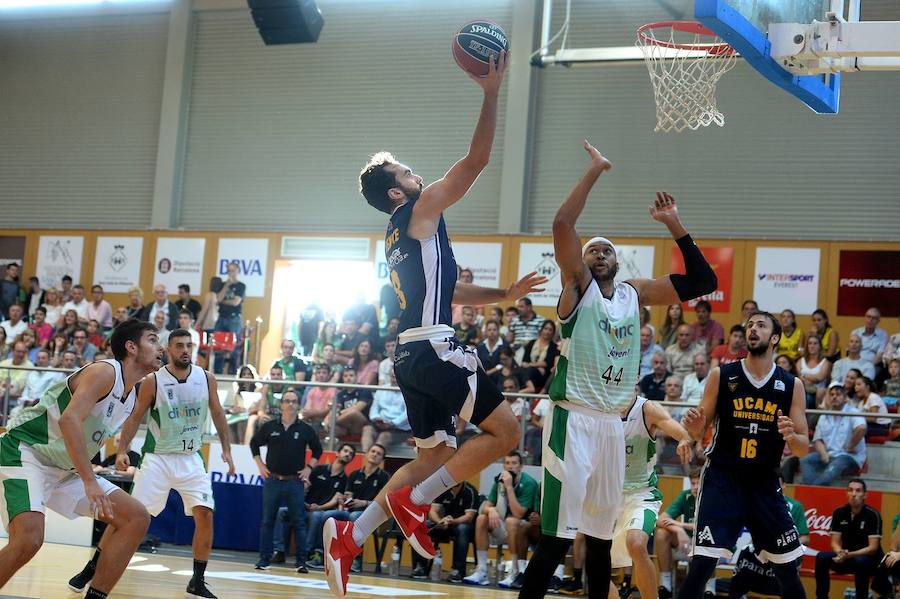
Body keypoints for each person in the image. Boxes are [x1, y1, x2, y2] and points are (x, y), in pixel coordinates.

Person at [323, 49, 543, 598]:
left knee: (433, 456)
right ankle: (416, 503)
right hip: (434, 349)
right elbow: (475, 163)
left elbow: (447, 288)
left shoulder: (399, 234)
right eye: (404, 170)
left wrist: (504, 294)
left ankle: (349, 539)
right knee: (507, 432)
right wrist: (491, 94)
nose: (414, 171)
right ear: (398, 191)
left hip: (408, 356)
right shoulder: (421, 212)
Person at [520, 141, 717, 599]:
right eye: (593, 251)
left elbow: (705, 281)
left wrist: (674, 225)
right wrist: (595, 170)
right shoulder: (576, 290)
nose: (601, 253)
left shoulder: (633, 293)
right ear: (582, 263)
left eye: (608, 250)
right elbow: (562, 224)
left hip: (611, 425)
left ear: (618, 260)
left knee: (602, 539)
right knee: (558, 538)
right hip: (572, 418)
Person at [68, 329, 234, 599]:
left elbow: (217, 412)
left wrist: (226, 448)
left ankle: (197, 580)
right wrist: (122, 449)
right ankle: (91, 568)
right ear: (168, 349)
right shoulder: (153, 380)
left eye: (189, 345)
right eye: (179, 345)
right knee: (128, 518)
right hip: (157, 459)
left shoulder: (206, 378)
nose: (185, 350)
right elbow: (135, 417)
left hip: (191, 459)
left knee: (205, 515)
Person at [0, 319, 159, 598]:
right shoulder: (104, 372)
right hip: (25, 451)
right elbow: (69, 419)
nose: (162, 347)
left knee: (136, 517)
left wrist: (104, 462)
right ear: (131, 347)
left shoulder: (131, 396)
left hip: (63, 468)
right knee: (28, 539)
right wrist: (90, 480)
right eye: (154, 340)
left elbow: (87, 436)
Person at [679, 311, 809, 599]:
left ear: (775, 338)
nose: (753, 329)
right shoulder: (722, 375)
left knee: (787, 570)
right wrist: (694, 431)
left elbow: (803, 447)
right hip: (724, 479)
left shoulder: (791, 385)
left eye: (761, 325)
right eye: (750, 325)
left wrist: (791, 436)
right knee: (702, 564)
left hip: (764, 482)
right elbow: (700, 429)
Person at [609, 395, 693, 599]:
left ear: (635, 376)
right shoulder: (601, 406)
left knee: (637, 544)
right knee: (596, 561)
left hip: (642, 494)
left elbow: (675, 428)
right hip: (608, 496)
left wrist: (683, 438)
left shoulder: (646, 408)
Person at [250, 389, 323, 572]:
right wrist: (260, 465)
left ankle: (301, 562)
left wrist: (309, 468)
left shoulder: (305, 429)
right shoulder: (270, 426)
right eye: (287, 401)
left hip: (294, 482)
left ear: (298, 405)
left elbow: (318, 451)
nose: (290, 404)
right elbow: (254, 443)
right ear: (281, 404)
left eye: (294, 401)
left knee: (298, 521)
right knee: (267, 520)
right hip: (273, 480)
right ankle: (264, 559)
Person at [305, 444, 390, 573]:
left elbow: (384, 501)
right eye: (372, 451)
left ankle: (355, 558)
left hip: (371, 515)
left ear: (382, 460)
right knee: (326, 515)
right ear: (367, 454)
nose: (374, 454)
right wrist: (347, 499)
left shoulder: (384, 477)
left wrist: (364, 503)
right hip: (350, 512)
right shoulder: (354, 475)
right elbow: (349, 495)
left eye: (378, 454)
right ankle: (319, 553)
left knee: (355, 517)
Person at [463, 451, 540, 588]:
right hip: (503, 528)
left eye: (514, 463)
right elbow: (484, 507)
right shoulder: (499, 481)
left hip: (522, 530)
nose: (510, 467)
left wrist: (509, 487)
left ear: (521, 466)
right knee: (481, 518)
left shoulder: (528, 483)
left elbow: (518, 514)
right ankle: (482, 571)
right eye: (507, 463)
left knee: (511, 521)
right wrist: (491, 510)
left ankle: (515, 572)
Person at [728, 475, 810, 599]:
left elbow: (805, 538)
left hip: (787, 548)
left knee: (787, 572)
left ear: (783, 486)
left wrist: (786, 543)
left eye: (777, 484)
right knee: (745, 552)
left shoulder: (795, 506)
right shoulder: (758, 503)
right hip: (764, 547)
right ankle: (737, 594)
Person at [814, 479, 884, 599]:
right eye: (850, 490)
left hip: (870, 561)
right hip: (847, 557)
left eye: (858, 491)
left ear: (865, 495)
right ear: (846, 493)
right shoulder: (839, 512)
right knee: (821, 557)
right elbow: (835, 542)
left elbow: (873, 548)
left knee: (861, 562)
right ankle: (822, 597)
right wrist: (840, 552)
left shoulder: (873, 515)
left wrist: (849, 555)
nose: (854, 494)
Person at [410, 479, 480, 583]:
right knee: (421, 525)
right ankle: (420, 567)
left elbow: (469, 517)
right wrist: (440, 521)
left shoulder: (470, 491)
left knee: (462, 529)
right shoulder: (442, 488)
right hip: (445, 523)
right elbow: (433, 511)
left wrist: (453, 521)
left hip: (464, 525)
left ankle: (458, 570)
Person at [299, 445, 356, 570]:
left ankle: (307, 553)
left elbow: (335, 500)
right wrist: (304, 494)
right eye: (345, 451)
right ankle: (278, 550)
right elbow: (305, 487)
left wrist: (319, 507)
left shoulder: (345, 480)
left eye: (350, 453)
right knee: (282, 512)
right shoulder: (319, 469)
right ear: (337, 453)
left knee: (317, 516)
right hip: (304, 507)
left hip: (321, 511)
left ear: (351, 459)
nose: (347, 454)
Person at [799, 382, 867, 486]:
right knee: (805, 460)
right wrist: (823, 453)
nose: (834, 397)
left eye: (838, 395)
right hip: (829, 454)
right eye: (832, 394)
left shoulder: (853, 412)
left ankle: (812, 491)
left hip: (849, 457)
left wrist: (851, 446)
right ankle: (812, 489)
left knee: (836, 464)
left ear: (845, 398)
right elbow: (818, 440)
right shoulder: (824, 416)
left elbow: (862, 428)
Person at [655, 469, 701, 599]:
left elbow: (707, 528)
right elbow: (660, 519)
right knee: (662, 533)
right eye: (693, 483)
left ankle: (709, 588)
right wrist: (679, 530)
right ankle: (665, 585)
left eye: (699, 483)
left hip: (705, 543)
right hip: (686, 542)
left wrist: (681, 525)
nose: (695, 487)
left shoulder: (711, 498)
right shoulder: (685, 496)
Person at [214, 262, 245, 374]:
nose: (231, 273)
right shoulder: (223, 285)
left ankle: (233, 373)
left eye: (233, 270)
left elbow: (236, 302)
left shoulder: (241, 286)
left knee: (234, 347)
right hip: (221, 317)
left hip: (234, 319)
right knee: (218, 346)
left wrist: (223, 301)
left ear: (238, 271)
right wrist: (226, 285)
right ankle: (217, 373)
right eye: (229, 270)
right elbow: (218, 299)